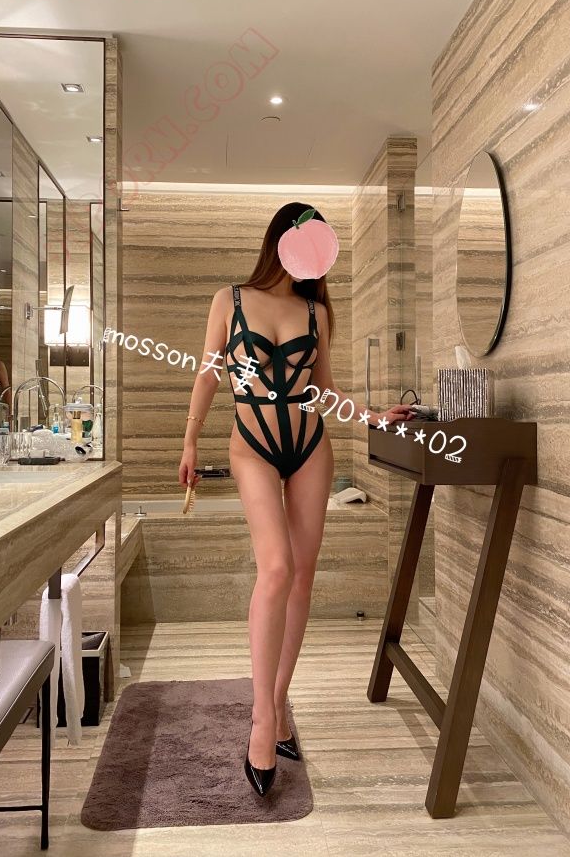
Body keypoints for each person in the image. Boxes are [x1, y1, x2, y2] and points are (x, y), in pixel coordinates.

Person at [179, 203, 414, 797]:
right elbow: (209, 374)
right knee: (277, 569)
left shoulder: (317, 311)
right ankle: (261, 722)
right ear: (282, 241)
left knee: (303, 577)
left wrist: (374, 416)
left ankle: (279, 703)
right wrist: (189, 440)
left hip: (310, 447)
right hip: (252, 447)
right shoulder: (229, 299)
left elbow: (325, 390)